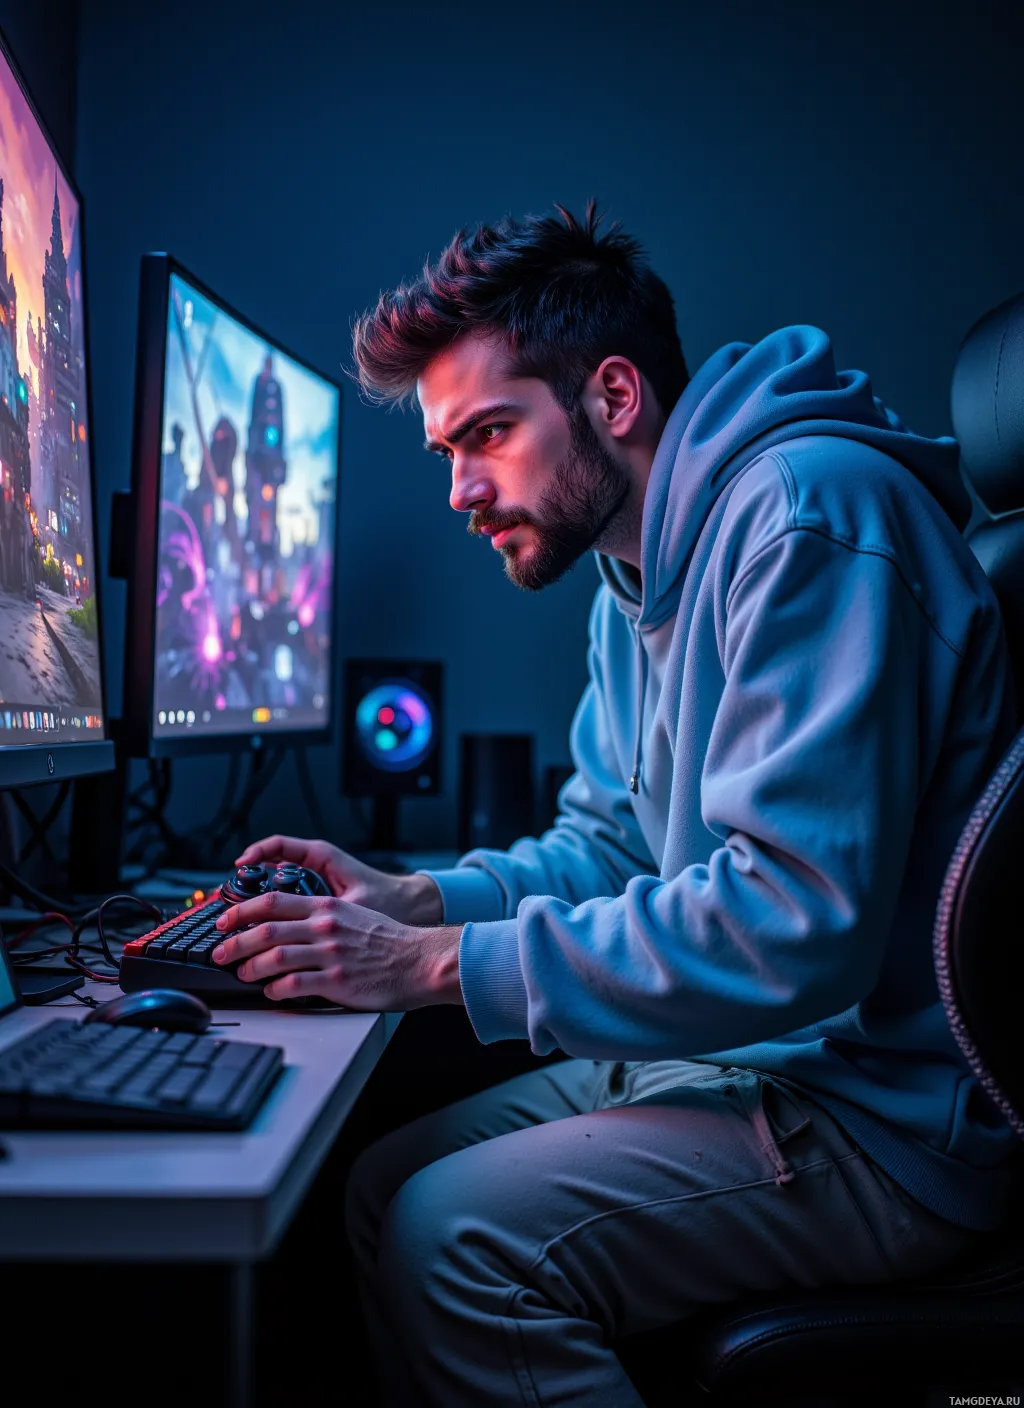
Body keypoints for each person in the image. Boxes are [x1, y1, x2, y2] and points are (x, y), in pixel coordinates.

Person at [211, 203, 1021, 1405]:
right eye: (444, 451)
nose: (458, 489)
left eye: (487, 431)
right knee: (378, 1187)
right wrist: (416, 897)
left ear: (614, 396)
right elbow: (610, 849)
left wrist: (428, 962)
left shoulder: (807, 518)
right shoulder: (631, 571)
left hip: (880, 1117)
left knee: (455, 1242)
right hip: (750, 1061)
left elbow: (793, 918)